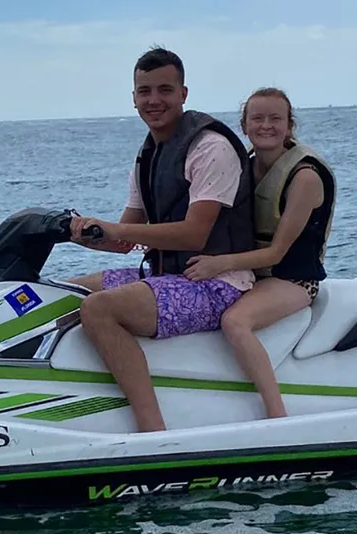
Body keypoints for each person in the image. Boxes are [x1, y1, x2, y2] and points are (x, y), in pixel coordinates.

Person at [66, 46, 257, 432]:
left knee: (99, 309)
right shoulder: (149, 154)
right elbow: (122, 241)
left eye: (165, 90)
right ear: (133, 98)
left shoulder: (210, 148)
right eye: (145, 91)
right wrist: (74, 233)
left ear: (183, 94)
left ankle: (153, 430)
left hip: (217, 284)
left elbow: (194, 232)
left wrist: (118, 230)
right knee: (61, 291)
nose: (154, 100)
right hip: (166, 276)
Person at [182, 87, 337, 419]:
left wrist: (218, 264)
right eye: (257, 118)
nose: (266, 126)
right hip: (251, 273)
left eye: (276, 119)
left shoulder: (304, 178)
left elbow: (277, 253)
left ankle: (276, 413)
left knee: (235, 321)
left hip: (293, 278)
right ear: (244, 125)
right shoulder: (243, 166)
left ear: (289, 126)